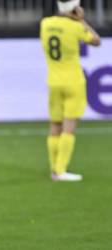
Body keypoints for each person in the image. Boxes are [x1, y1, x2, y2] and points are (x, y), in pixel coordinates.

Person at [40, 0, 101, 181]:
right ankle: (60, 171)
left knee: (55, 126)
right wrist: (81, 20)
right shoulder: (75, 27)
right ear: (75, 8)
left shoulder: (45, 24)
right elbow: (96, 41)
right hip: (73, 82)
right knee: (68, 128)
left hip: (53, 81)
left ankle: (54, 169)